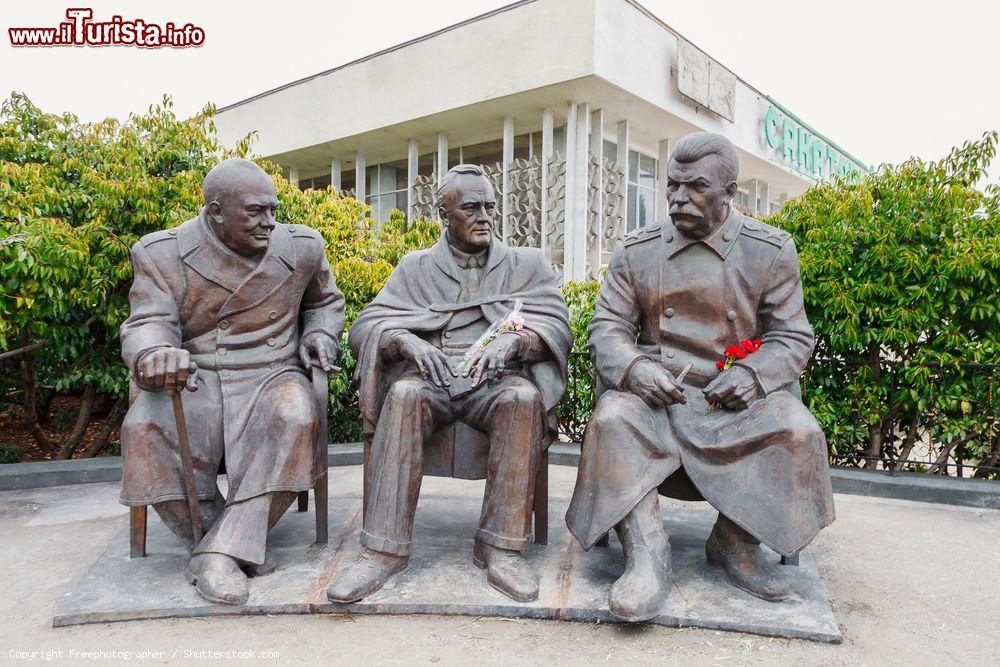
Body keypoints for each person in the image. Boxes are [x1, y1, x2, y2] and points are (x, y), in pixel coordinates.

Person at [566, 132, 835, 621]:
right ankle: (648, 555)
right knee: (613, 420)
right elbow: (607, 327)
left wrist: (752, 376)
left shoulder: (769, 251)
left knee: (797, 431)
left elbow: (793, 337)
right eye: (672, 186)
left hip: (730, 396)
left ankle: (734, 545)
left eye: (695, 187)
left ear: (729, 191)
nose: (677, 198)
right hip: (658, 395)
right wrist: (634, 368)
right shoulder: (637, 251)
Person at [328, 164, 571, 604]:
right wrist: (403, 341)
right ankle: (383, 551)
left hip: (495, 381)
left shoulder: (526, 264)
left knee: (523, 398)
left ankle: (501, 550)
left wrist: (520, 342)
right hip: (431, 378)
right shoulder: (416, 267)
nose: (484, 217)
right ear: (444, 214)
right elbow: (368, 325)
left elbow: (558, 324)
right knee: (402, 395)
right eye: (471, 207)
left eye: (490, 207)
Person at [119, 158, 344, 605]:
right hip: (195, 374)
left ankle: (216, 553)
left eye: (273, 210)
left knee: (296, 415)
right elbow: (149, 320)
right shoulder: (162, 252)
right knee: (143, 427)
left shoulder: (301, 247)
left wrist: (320, 335)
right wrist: (154, 353)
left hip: (271, 370)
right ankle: (233, 542)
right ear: (216, 211)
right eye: (255, 213)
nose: (269, 223)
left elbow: (325, 303)